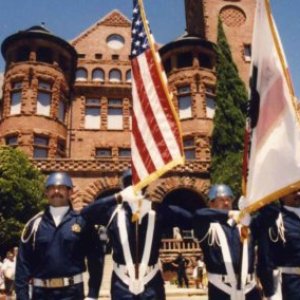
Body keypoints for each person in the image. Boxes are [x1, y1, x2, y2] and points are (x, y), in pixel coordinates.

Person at [81, 168, 193, 300]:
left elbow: (191, 219)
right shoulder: (113, 212)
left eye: (140, 184)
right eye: (130, 184)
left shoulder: (158, 211)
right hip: (122, 281)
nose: (135, 187)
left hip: (151, 281)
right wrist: (117, 197)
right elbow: (85, 214)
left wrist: (160, 206)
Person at [15, 172, 103, 300]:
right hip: (40, 294)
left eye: (61, 187)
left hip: (72, 293)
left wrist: (92, 294)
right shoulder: (34, 224)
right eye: (52, 188)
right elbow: (23, 264)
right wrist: (22, 296)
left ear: (70, 192)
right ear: (46, 192)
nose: (56, 191)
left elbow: (95, 259)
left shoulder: (82, 222)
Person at [193, 184, 277, 300]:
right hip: (221, 288)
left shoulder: (246, 224)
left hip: (249, 288)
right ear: (211, 203)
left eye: (229, 199)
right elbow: (198, 214)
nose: (226, 203)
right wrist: (229, 214)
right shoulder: (207, 227)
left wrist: (255, 202)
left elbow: (272, 213)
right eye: (221, 200)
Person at [257, 190, 300, 300]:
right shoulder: (274, 220)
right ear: (282, 195)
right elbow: (265, 257)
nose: (298, 194)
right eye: (293, 192)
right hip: (290, 284)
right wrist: (269, 289)